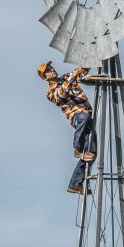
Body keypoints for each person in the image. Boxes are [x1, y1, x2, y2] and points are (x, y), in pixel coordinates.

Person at [39, 61, 95, 194]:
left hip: (88, 118)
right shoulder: (50, 92)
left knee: (92, 153)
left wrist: (90, 60)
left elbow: (81, 70)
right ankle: (78, 148)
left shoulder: (66, 78)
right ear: (45, 78)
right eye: (48, 70)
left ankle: (75, 184)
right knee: (83, 117)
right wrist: (73, 76)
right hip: (77, 117)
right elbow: (62, 93)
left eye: (51, 67)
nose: (52, 69)